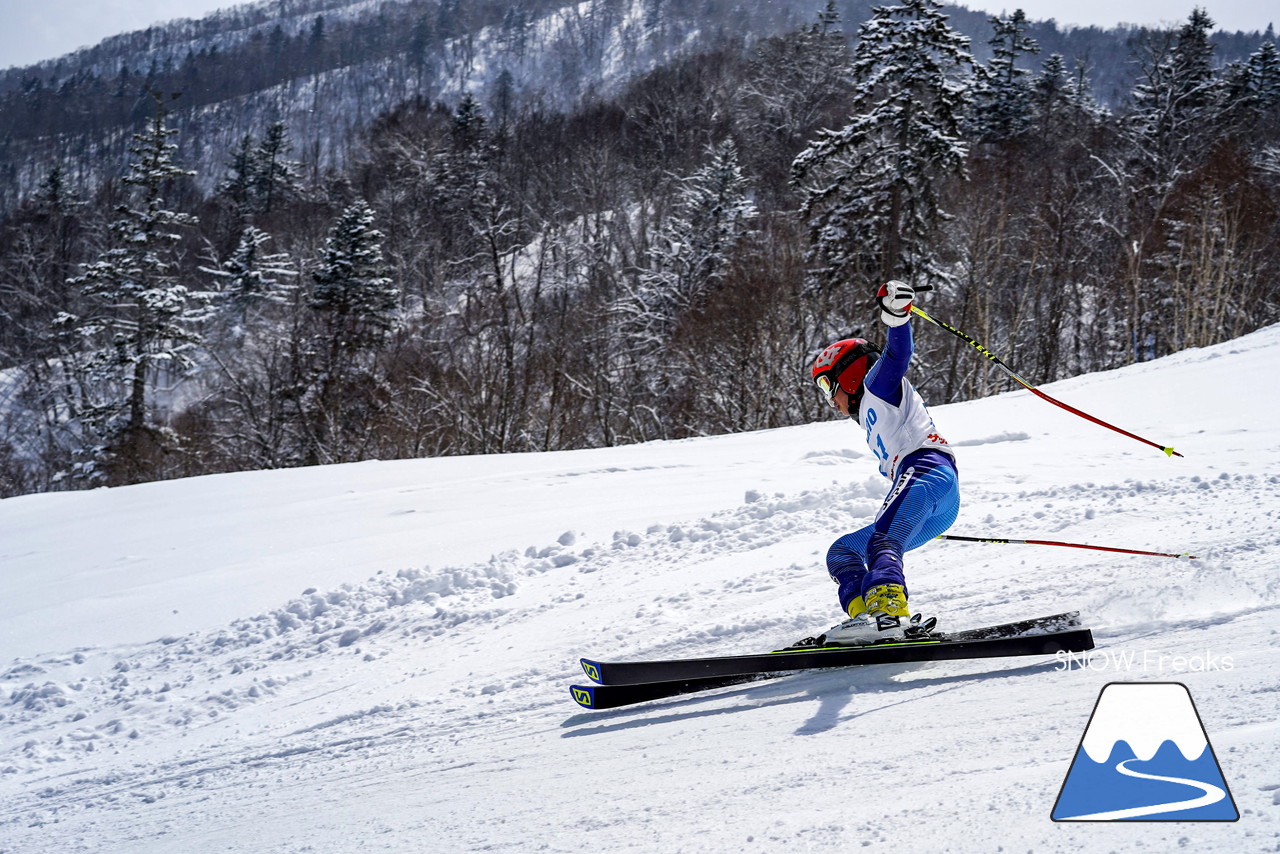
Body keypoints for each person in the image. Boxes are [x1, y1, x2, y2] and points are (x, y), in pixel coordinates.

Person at [809, 281, 960, 645]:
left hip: (925, 473)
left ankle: (889, 613)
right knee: (843, 551)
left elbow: (897, 356)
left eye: (829, 387)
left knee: (882, 542)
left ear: (849, 375)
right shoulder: (874, 411)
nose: (831, 400)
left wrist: (896, 316)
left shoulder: (878, 385)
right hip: (935, 497)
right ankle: (865, 618)